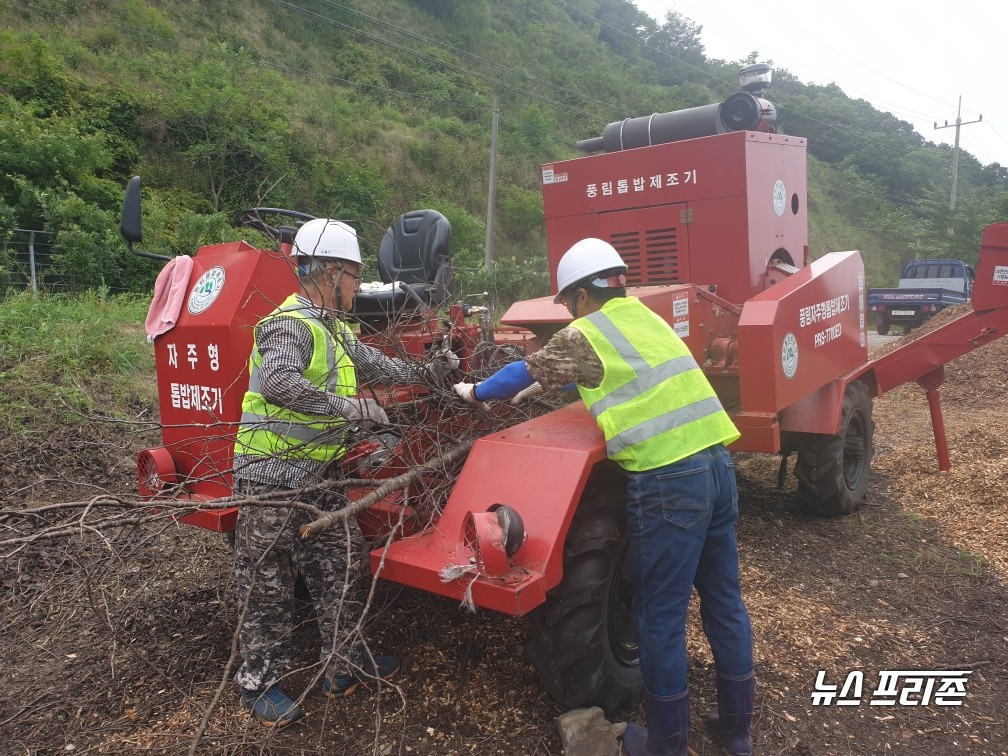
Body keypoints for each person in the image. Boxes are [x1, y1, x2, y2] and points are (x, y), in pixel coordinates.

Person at [453, 238, 755, 756]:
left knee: (657, 614)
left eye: (569, 303)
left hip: (669, 480)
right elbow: (621, 374)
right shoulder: (645, 318)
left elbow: (517, 374)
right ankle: (736, 728)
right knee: (724, 599)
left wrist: (474, 391)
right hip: (717, 466)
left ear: (581, 296)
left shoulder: (586, 329)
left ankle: (663, 745)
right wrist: (555, 388)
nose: (570, 312)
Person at [232, 217, 456, 727]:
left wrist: (431, 373)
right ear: (331, 272)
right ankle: (258, 684)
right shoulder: (290, 324)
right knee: (267, 582)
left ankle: (344, 664)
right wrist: (349, 410)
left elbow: (380, 366)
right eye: (355, 275)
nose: (360, 286)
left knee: (343, 565)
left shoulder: (333, 328)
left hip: (321, 475)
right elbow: (279, 386)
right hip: (271, 477)